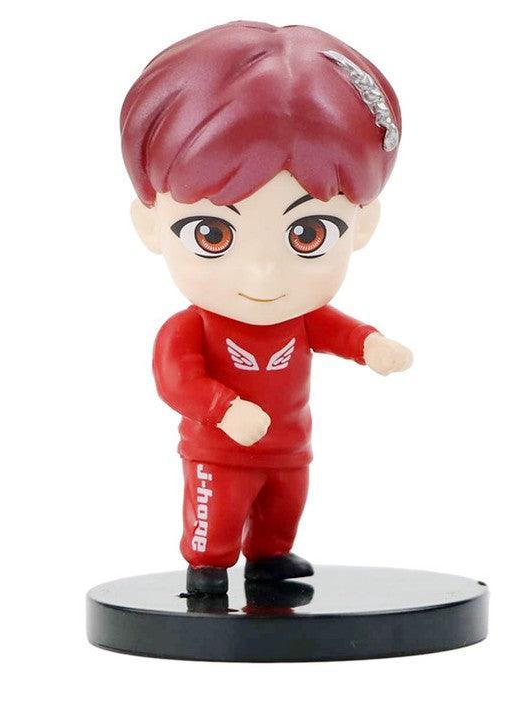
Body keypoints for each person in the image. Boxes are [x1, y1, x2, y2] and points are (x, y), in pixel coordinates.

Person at [121, 21, 412, 594]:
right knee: (218, 513)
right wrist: (224, 409)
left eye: (307, 234)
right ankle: (208, 570)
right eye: (212, 234)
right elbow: (177, 380)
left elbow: (339, 332)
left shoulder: (301, 318)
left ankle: (270, 557)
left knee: (285, 506)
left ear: (362, 224)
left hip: (290, 446)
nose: (262, 274)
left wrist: (371, 345)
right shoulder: (190, 327)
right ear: (151, 224)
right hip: (221, 451)